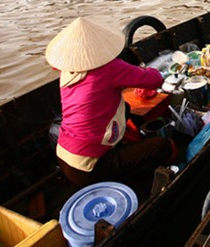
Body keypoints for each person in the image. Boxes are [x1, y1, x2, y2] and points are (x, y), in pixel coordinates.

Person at [45, 17, 174, 189]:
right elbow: (155, 79)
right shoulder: (110, 68)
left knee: (125, 108)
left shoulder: (67, 73)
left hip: (64, 157)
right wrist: (142, 71)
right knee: (165, 146)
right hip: (88, 168)